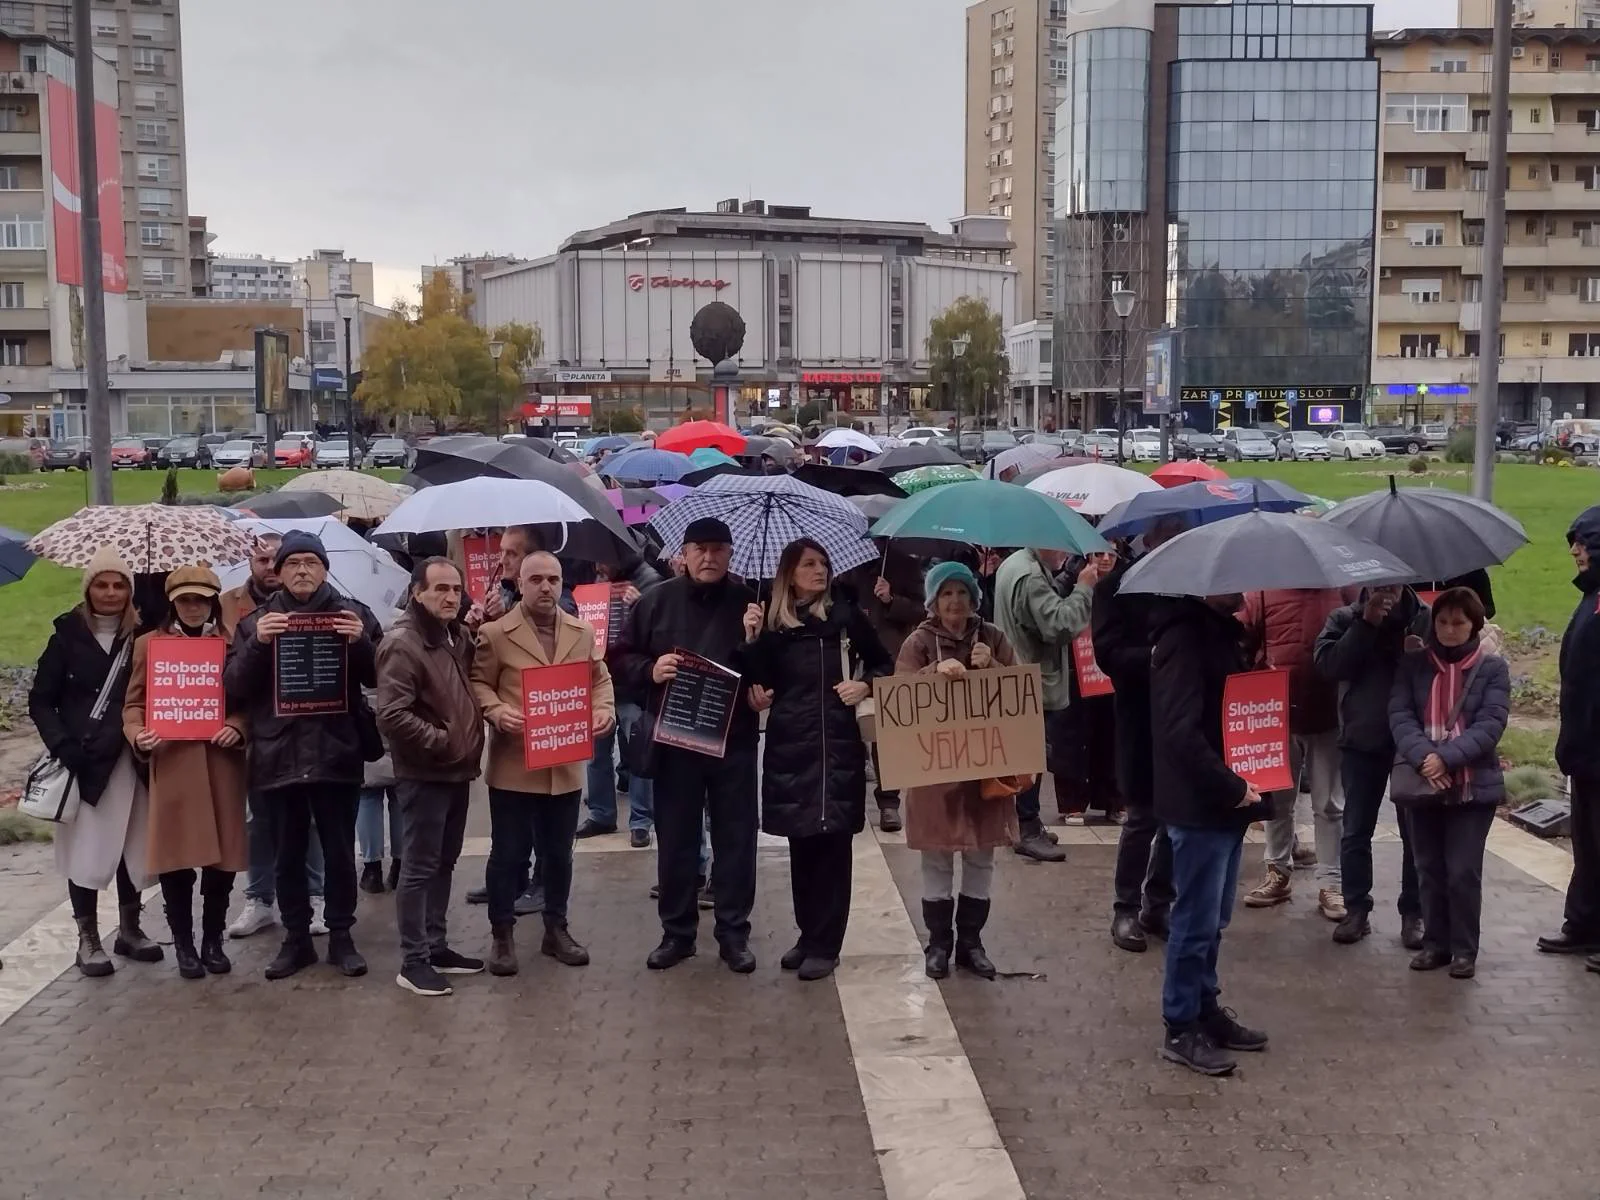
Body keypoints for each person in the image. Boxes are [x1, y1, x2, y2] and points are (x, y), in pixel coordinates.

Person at [224, 530, 381, 981]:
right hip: (278, 756)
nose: (302, 571)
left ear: (325, 569)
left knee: (338, 852)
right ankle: (295, 941)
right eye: (293, 564)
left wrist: (362, 643)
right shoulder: (256, 622)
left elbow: (382, 675)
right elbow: (232, 686)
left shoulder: (354, 616)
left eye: (311, 563)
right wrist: (257, 645)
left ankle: (342, 937)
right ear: (279, 571)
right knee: (286, 855)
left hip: (337, 751)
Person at [612, 517, 763, 973]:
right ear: (683, 553)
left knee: (736, 840)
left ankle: (733, 934)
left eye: (719, 549)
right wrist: (649, 670)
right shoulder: (656, 601)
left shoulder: (750, 604)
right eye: (700, 548)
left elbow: (772, 669)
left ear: (731, 554)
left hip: (733, 741)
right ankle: (677, 934)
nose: (709, 557)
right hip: (675, 743)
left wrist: (758, 647)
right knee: (676, 840)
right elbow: (619, 657)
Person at [744, 539, 892, 982]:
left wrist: (864, 685)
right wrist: (751, 640)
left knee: (832, 848)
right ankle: (808, 935)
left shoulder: (846, 619)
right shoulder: (774, 623)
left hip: (836, 747)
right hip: (792, 745)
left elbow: (885, 663)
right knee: (801, 844)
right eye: (809, 564)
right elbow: (759, 680)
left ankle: (827, 944)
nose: (819, 570)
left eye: (823, 563)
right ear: (790, 572)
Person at [472, 551, 615, 975]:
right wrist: (496, 710)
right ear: (520, 583)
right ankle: (502, 935)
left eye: (553, 579)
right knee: (508, 854)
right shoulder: (496, 633)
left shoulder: (581, 631)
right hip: (515, 766)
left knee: (559, 855)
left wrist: (603, 710)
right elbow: (478, 681)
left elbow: (599, 679)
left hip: (564, 764)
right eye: (536, 579)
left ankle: (556, 928)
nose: (546, 587)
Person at [1150, 592, 1269, 1077]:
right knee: (1195, 920)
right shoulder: (1183, 638)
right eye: (1234, 580)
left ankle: (1205, 1007)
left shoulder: (1219, 633)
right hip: (1202, 802)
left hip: (1226, 802)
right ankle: (1180, 1026)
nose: (1245, 589)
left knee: (1214, 917)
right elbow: (1179, 730)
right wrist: (1230, 784)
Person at [28, 546, 161, 977]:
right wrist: (62, 744)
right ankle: (87, 939)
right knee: (87, 851)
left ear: (130, 590)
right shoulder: (66, 636)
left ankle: (130, 929)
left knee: (131, 847)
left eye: (118, 584)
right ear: (88, 590)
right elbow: (41, 701)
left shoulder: (144, 637)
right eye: (101, 584)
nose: (109, 592)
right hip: (85, 763)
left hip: (135, 758)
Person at [121, 567, 247, 979]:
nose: (193, 607)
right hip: (174, 765)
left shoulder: (232, 644)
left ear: (213, 601)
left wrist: (239, 727)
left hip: (222, 764)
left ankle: (213, 939)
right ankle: (184, 944)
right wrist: (139, 736)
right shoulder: (147, 646)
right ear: (172, 602)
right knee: (176, 861)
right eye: (185, 600)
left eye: (201, 599)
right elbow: (134, 704)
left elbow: (249, 701)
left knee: (222, 861)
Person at [896, 562, 1017, 981]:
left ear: (973, 598)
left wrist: (994, 668)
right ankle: (938, 944)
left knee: (982, 856)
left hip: (987, 771)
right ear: (933, 600)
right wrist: (934, 674)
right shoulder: (919, 642)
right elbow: (901, 696)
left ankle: (971, 943)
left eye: (962, 592)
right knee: (938, 858)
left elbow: (1019, 694)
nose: (955, 601)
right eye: (946, 593)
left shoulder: (994, 637)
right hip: (936, 773)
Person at [376, 557, 487, 997]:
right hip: (425, 772)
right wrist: (442, 741)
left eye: (456, 589)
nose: (450, 597)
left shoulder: (451, 635)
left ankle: (436, 945)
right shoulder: (403, 642)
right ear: (416, 592)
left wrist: (471, 633)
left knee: (444, 862)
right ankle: (414, 960)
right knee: (419, 868)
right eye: (440, 589)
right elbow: (391, 714)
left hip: (455, 771)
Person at [1388, 587, 1510, 980]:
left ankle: (1463, 949)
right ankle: (1435, 944)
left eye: (1458, 623)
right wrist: (1426, 758)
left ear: (1474, 624)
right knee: (1428, 866)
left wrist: (1447, 757)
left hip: (1472, 786)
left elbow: (1491, 723)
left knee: (1462, 870)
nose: (1449, 630)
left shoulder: (1492, 669)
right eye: (1442, 621)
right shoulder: (1413, 664)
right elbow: (1400, 715)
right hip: (1423, 783)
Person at [220, 533, 326, 940]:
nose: (269, 568)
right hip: (264, 735)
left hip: (316, 736)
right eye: (263, 560)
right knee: (260, 821)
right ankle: (259, 899)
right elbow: (232, 679)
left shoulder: (336, 611)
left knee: (313, 823)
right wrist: (260, 641)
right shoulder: (231, 607)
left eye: (273, 560)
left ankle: (315, 896)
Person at [1314, 584, 1430, 949]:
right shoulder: (1345, 616)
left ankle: (1414, 914)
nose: (1387, 590)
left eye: (1393, 582)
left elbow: (1448, 671)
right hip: (1362, 738)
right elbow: (1329, 665)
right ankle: (1356, 910)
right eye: (1379, 583)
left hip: (1410, 742)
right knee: (1356, 829)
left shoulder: (1424, 619)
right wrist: (1365, 624)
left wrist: (1419, 657)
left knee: (1415, 833)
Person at [1093, 520, 1188, 954]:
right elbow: (1108, 654)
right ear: (1149, 543)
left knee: (1175, 817)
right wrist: (1152, 657)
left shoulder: (1190, 587)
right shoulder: (1115, 587)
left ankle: (1159, 903)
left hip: (1183, 718)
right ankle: (1125, 907)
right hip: (1138, 717)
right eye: (1166, 544)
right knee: (1142, 817)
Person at [1237, 588, 1351, 921]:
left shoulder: (1342, 590)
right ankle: (1277, 871)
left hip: (1328, 712)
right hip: (1276, 713)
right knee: (1276, 800)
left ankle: (1332, 882)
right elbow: (1240, 639)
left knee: (1330, 804)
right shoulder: (1261, 592)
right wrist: (1256, 661)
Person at [994, 544, 1104, 860]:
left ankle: (1027, 823)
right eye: (1060, 547)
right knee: (1032, 753)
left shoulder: (1015, 564)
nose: (1064, 555)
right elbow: (1059, 625)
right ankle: (1027, 828)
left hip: (1019, 673)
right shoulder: (1029, 574)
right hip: (1031, 678)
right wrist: (1083, 588)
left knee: (1029, 752)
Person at [466, 524, 545, 915]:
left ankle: (542, 885)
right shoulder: (505, 592)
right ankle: (509, 878)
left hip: (547, 726)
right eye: (501, 553)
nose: (502, 561)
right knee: (508, 817)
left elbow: (543, 642)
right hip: (509, 729)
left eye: (511, 554)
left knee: (542, 819)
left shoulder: (551, 596)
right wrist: (481, 623)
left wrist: (509, 615)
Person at [1539, 506, 1600, 962]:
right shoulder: (1591, 598)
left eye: (1583, 542)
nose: (1575, 551)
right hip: (1584, 749)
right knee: (1588, 844)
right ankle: (1582, 925)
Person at [845, 546, 926, 834]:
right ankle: (849, 796)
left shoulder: (905, 564)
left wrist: (892, 599)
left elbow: (921, 609)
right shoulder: (848, 562)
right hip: (849, 657)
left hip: (889, 658)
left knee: (885, 734)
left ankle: (888, 802)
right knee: (847, 730)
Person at [579, 564, 649, 843]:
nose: (599, 564)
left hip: (631, 686)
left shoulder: (647, 580)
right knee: (596, 754)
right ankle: (601, 815)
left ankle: (641, 820)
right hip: (599, 685)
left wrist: (640, 605)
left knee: (639, 755)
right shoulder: (589, 585)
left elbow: (657, 632)